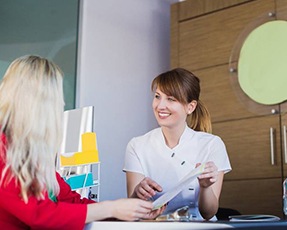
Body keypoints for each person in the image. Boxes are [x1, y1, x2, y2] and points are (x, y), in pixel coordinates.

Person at [0, 55, 164, 230]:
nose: (62, 103)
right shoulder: (4, 148)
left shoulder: (31, 155)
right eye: (57, 98)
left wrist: (126, 211)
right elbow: (39, 214)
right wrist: (112, 208)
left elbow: (71, 200)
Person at [123, 67, 231, 221]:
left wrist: (206, 187)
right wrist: (137, 193)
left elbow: (209, 213)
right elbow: (133, 210)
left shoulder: (212, 144)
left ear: (190, 107)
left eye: (171, 99)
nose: (160, 106)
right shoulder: (137, 145)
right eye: (157, 96)